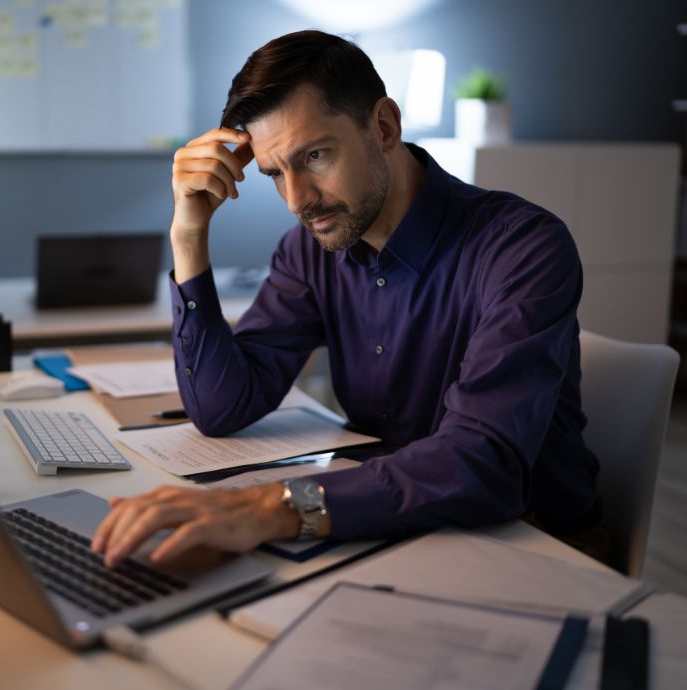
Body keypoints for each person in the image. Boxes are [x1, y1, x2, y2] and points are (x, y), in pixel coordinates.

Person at [91, 30, 606, 568]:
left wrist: (273, 506)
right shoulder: (311, 250)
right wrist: (188, 237)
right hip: (391, 527)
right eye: (275, 174)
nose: (296, 200)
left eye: (314, 156)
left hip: (532, 541)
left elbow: (484, 461)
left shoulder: (522, 246)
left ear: (384, 126)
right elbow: (223, 407)